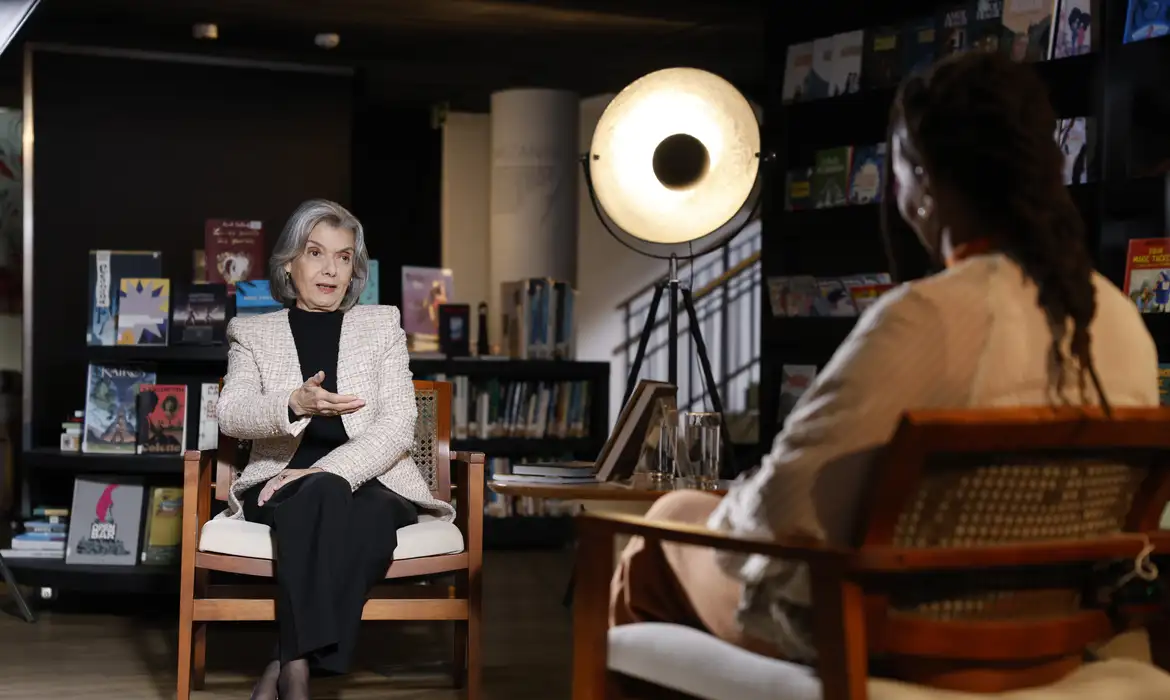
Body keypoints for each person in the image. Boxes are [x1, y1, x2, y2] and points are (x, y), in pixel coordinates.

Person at [609, 50, 1159, 662]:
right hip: (1059, 635)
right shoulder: (1121, 321)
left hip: (895, 639)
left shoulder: (927, 318)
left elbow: (780, 512)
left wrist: (718, 507)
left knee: (661, 531)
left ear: (921, 184)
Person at [215, 198, 455, 700]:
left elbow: (399, 424)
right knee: (326, 502)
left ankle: (288, 662)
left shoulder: (381, 326)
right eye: (316, 253)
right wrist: (293, 402)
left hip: (374, 481)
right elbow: (232, 412)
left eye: (344, 257)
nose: (330, 269)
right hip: (277, 483)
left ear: (354, 269)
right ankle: (297, 671)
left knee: (349, 506)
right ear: (289, 264)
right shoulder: (252, 332)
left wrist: (323, 470)